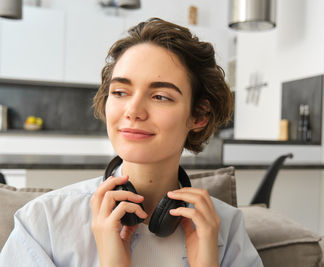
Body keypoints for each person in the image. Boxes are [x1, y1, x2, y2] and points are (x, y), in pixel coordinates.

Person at [0, 18, 263, 267]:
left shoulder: (225, 229)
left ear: (199, 115)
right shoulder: (42, 222)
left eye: (160, 96)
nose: (133, 110)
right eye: (120, 92)